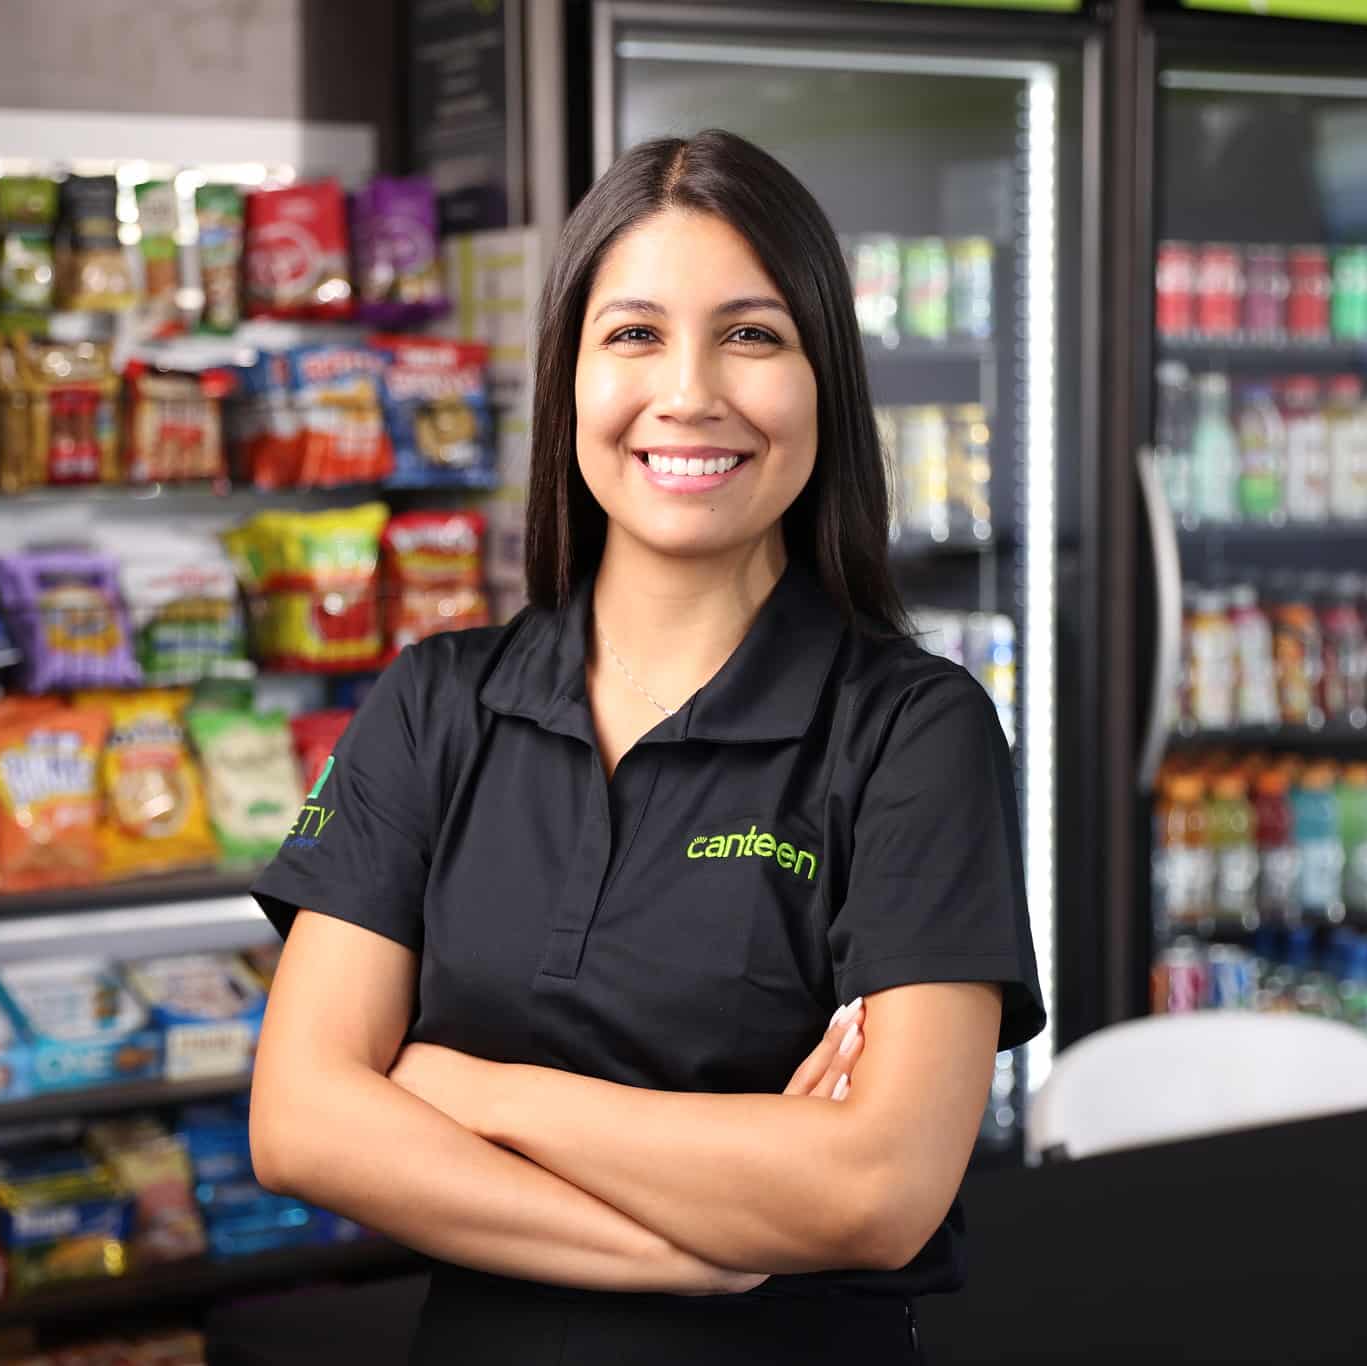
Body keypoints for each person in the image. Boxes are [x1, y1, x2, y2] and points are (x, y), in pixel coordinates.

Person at [248, 128, 1045, 1363]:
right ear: (568, 375)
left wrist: (469, 1089)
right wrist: (694, 1251)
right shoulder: (434, 704)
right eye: (633, 334)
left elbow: (875, 1190)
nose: (689, 392)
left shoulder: (912, 731)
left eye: (750, 334)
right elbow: (301, 1120)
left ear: (821, 376)